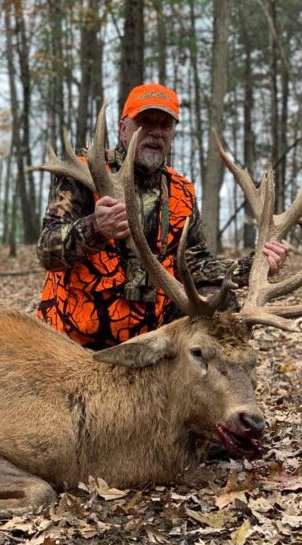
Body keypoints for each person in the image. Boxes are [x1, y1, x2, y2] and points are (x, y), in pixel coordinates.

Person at [36, 83, 287, 349]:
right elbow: (46, 251)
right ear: (124, 128)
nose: (156, 132)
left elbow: (196, 265)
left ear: (172, 134)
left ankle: (215, 386)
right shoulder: (86, 174)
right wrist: (95, 227)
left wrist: (254, 266)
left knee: (219, 304)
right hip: (73, 342)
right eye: (145, 122)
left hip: (150, 341)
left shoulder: (181, 191)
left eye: (165, 125)